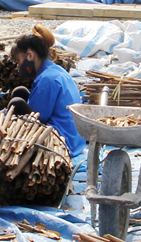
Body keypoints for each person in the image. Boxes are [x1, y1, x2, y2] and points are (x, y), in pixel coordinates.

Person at [8, 25, 85, 157]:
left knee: (17, 103)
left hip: (62, 139)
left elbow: (39, 117)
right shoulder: (55, 71)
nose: (19, 66)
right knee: (20, 91)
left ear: (30, 55)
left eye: (18, 61)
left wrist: (4, 115)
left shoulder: (47, 80)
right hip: (75, 138)